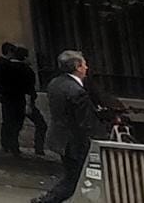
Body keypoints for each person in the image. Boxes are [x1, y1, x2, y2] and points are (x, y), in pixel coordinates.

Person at [32, 49, 106, 203]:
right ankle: (46, 201)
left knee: (73, 176)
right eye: (84, 65)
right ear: (78, 67)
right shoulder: (76, 91)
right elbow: (85, 122)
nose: (87, 68)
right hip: (74, 142)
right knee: (75, 179)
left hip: (60, 137)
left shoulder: (56, 83)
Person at [9, 45, 49, 157]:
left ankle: (12, 148)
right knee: (41, 125)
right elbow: (28, 88)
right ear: (25, 57)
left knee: (14, 125)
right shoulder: (26, 70)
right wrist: (28, 104)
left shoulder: (7, 68)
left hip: (11, 101)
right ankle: (39, 148)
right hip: (24, 101)